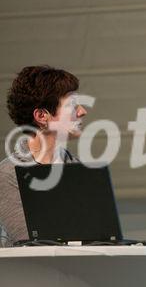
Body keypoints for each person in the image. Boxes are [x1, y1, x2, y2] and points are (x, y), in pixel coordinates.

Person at [0, 65, 87, 246]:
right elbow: (29, 241)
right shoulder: (9, 174)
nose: (82, 111)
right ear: (41, 116)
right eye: (72, 105)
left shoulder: (79, 169)